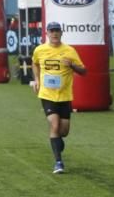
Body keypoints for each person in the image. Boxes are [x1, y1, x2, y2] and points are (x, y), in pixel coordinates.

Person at [31, 21, 87, 174]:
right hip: (47, 95)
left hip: (64, 95)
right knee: (54, 125)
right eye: (51, 31)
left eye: (57, 31)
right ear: (47, 33)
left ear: (61, 33)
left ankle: (57, 141)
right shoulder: (40, 50)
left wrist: (72, 65)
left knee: (63, 131)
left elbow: (84, 71)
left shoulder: (69, 51)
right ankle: (58, 162)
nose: (54, 34)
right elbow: (35, 63)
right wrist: (37, 79)